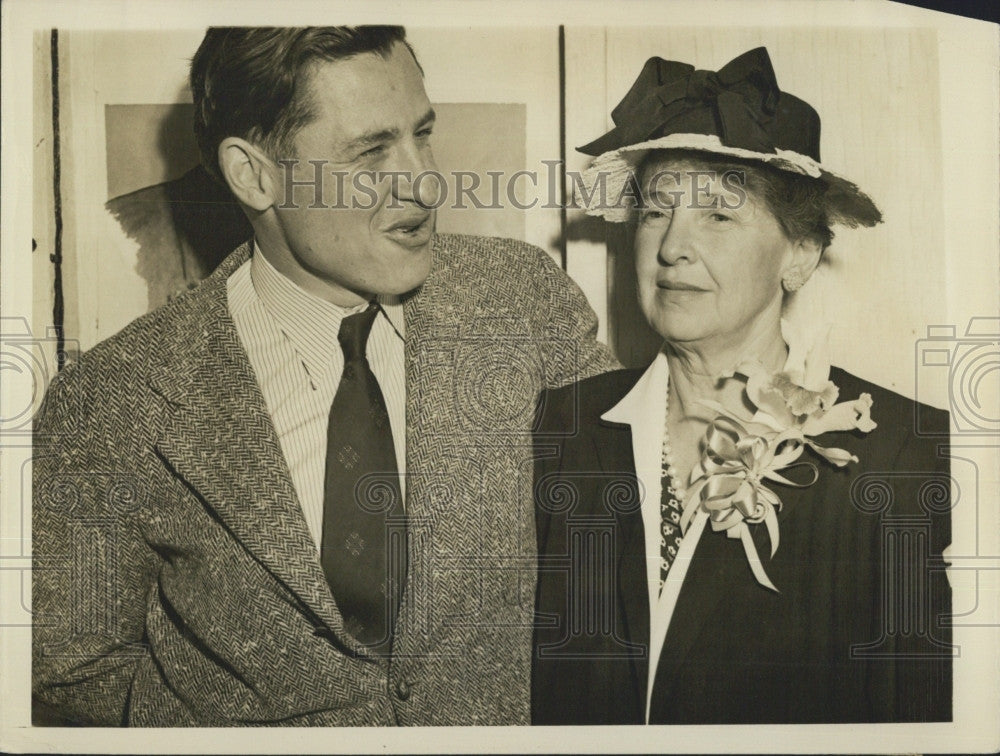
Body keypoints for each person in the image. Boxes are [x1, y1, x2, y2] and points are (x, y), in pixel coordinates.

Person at [32, 26, 618, 726]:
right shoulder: (112, 398)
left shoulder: (525, 301)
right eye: (372, 151)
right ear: (254, 175)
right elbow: (70, 670)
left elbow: (630, 538)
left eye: (421, 135)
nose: (425, 180)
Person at [532, 47, 952, 724]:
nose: (671, 247)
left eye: (718, 216)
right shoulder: (563, 427)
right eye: (654, 214)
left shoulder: (903, 453)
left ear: (799, 254)